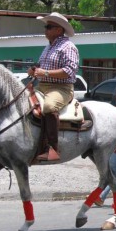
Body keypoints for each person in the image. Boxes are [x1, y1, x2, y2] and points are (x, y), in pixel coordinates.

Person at [28, 12, 79, 162]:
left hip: (61, 88)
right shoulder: (48, 47)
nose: (45, 30)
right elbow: (41, 66)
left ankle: (53, 148)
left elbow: (69, 71)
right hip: (42, 86)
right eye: (46, 27)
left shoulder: (68, 47)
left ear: (58, 29)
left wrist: (46, 72)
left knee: (49, 107)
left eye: (48, 27)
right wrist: (34, 70)